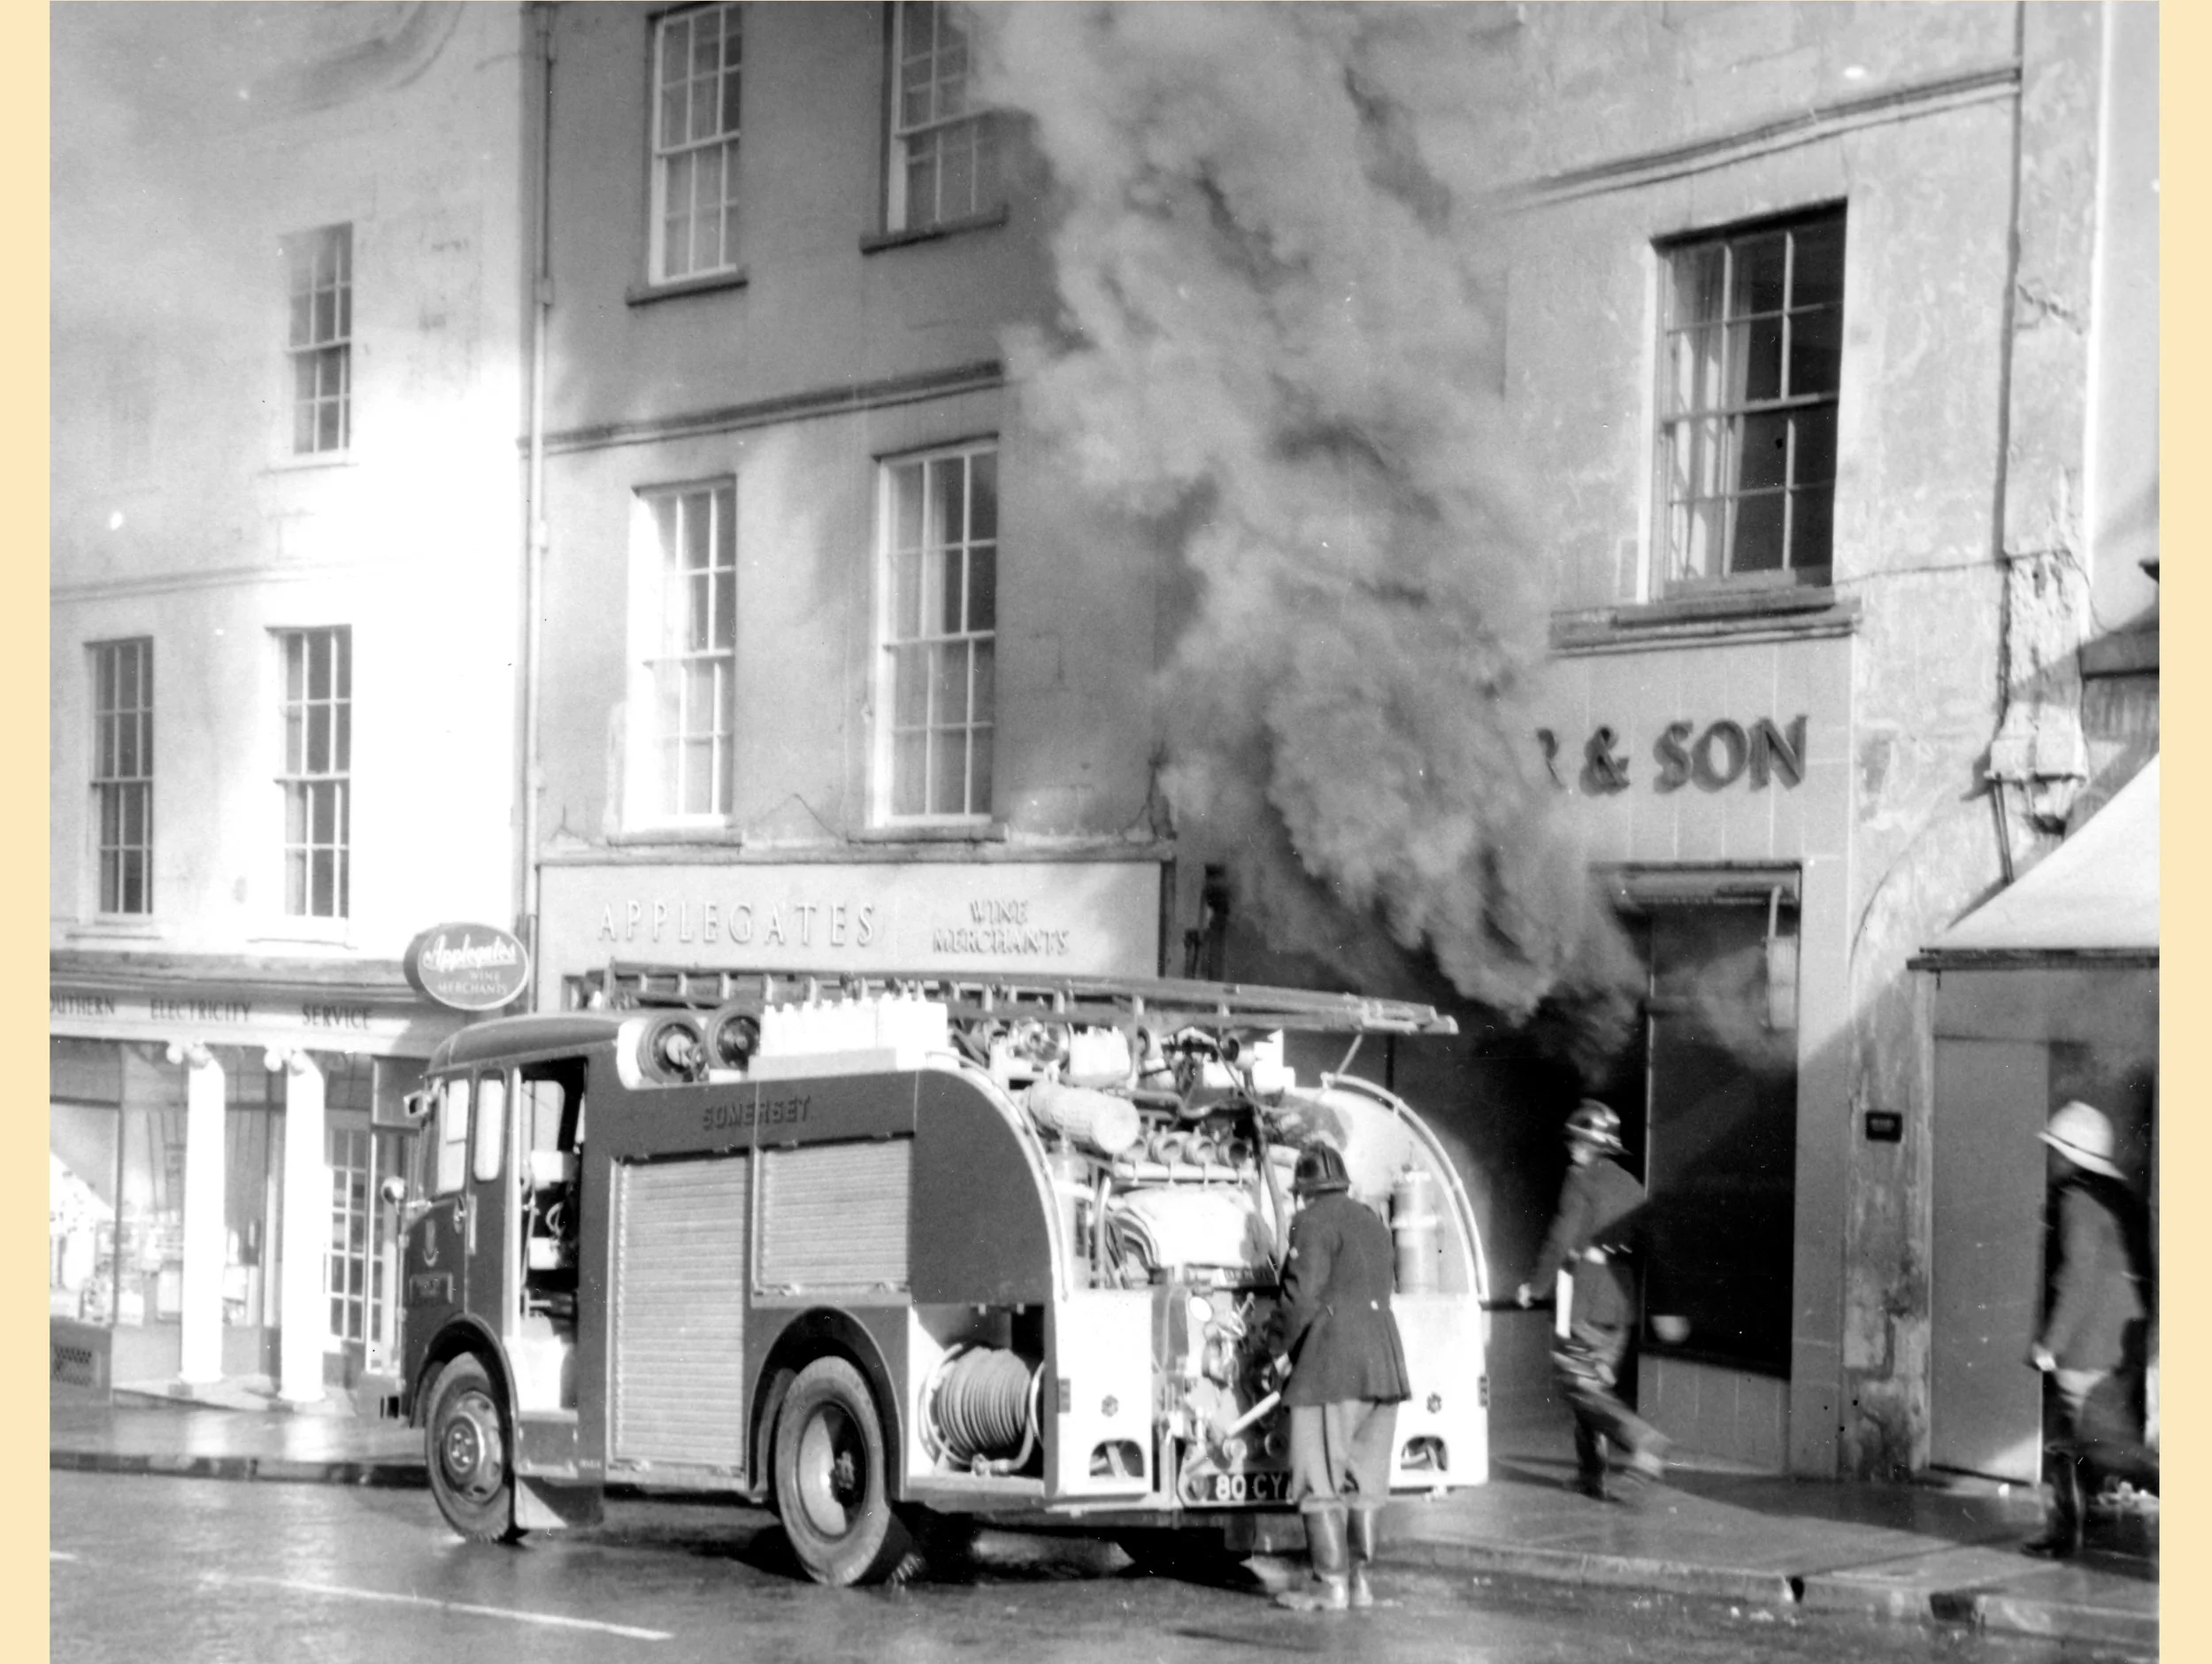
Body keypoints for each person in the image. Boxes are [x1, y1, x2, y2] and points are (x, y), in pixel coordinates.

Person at [1265, 1141, 1409, 1613]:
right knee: (1364, 1480)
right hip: (1384, 1361)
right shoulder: (1370, 1220)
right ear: (1343, 1183)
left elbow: (1300, 1297)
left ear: (1304, 1191)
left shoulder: (1310, 1222)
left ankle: (1330, 1583)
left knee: (1318, 1478)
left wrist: (1273, 1350)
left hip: (1332, 1363)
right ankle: (1360, 1583)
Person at [1516, 1100, 1669, 1500]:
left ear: (1591, 1146)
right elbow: (1652, 1244)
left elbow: (1561, 1238)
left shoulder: (1580, 1178)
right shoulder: (1633, 1185)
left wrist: (1535, 1287)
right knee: (1589, 1387)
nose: (1572, 1149)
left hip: (1581, 1302)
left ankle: (1642, 1441)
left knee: (1579, 1387)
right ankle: (1591, 1476)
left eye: (1577, 1142)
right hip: (1618, 1310)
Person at [2024, 1100, 2151, 1559]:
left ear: (2071, 1153)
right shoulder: (2121, 1197)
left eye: (2057, 1149)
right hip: (2121, 1343)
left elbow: (2077, 1278)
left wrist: (2049, 1344)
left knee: (2079, 1443)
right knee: (2095, 1438)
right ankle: (2086, 1517)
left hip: (2086, 1345)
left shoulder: (2077, 1201)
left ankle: (2065, 1535)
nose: (2052, 1158)